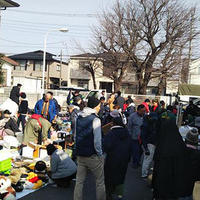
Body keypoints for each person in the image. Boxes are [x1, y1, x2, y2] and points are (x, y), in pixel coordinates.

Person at [152, 120, 197, 200]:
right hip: (176, 186)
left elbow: (156, 165)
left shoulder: (161, 145)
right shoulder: (180, 145)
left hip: (161, 184)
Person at [74, 97, 106, 200]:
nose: (99, 107)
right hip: (92, 155)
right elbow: (97, 141)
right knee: (100, 181)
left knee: (79, 181)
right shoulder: (96, 119)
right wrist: (100, 154)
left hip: (80, 154)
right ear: (96, 106)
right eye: (99, 106)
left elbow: (75, 136)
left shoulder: (78, 117)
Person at [104, 116, 131, 200]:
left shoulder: (110, 133)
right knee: (121, 175)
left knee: (109, 176)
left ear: (113, 123)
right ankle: (119, 194)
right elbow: (130, 146)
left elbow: (107, 146)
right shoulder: (126, 132)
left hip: (112, 158)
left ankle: (109, 193)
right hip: (124, 158)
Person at [141, 112, 158, 178]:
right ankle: (144, 174)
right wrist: (146, 148)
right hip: (149, 144)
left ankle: (144, 173)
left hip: (148, 144)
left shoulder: (148, 123)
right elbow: (143, 137)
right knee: (147, 160)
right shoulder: (148, 125)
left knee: (147, 159)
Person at [128, 104, 146, 168]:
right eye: (142, 111)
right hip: (134, 137)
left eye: (144, 111)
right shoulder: (132, 116)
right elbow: (129, 127)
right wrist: (129, 136)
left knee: (141, 151)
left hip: (143, 137)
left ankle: (137, 161)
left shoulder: (145, 116)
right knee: (136, 151)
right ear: (138, 110)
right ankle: (135, 163)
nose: (143, 112)